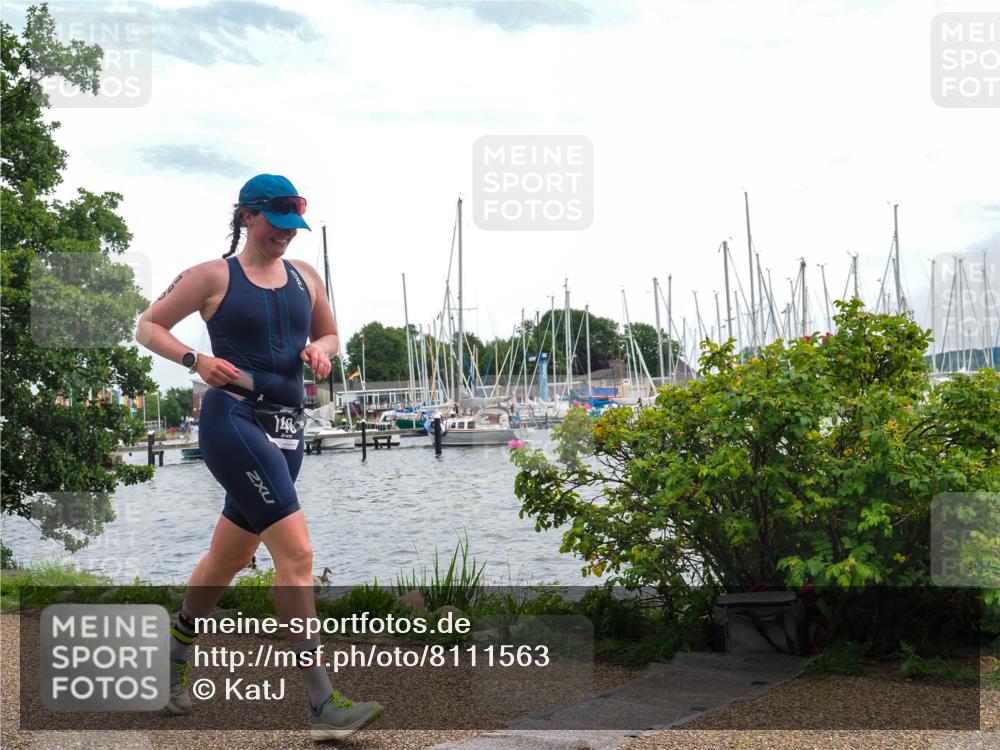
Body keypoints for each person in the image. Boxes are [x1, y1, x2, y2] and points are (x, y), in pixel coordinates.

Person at [136, 174, 383, 740]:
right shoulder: (212, 275)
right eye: (276, 223)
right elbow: (147, 326)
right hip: (234, 419)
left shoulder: (306, 277)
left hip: (289, 429)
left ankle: (173, 657)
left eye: (294, 226)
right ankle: (323, 703)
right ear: (247, 216)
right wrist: (195, 360)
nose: (286, 235)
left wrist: (320, 351)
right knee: (297, 553)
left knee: (227, 559)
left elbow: (332, 335)